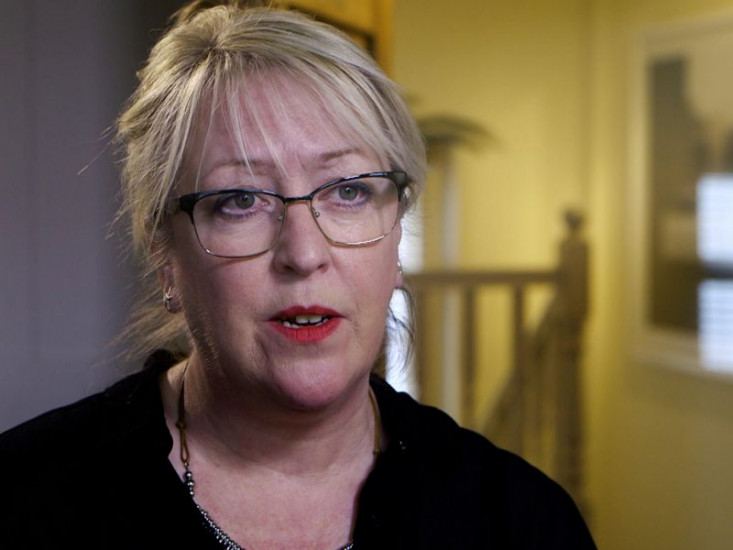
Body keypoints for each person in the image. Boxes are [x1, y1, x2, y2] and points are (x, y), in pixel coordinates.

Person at [0, 2, 595, 548]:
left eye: (349, 191)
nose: (304, 253)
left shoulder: (520, 520)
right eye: (240, 200)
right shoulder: (27, 500)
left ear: (396, 236)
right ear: (165, 256)